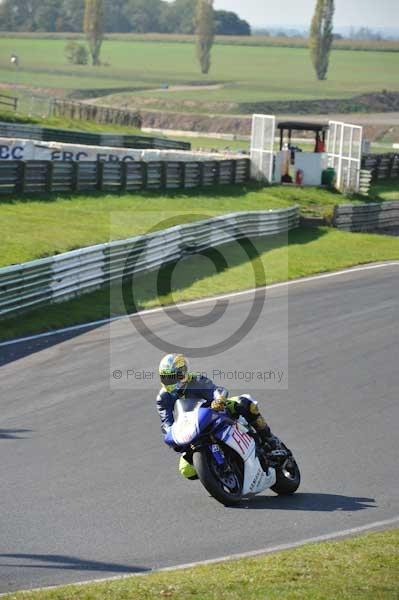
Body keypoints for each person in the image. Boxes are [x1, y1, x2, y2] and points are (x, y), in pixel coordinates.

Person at [156, 353, 288, 480]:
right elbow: (167, 423)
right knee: (187, 470)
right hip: (192, 428)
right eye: (167, 378)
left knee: (244, 404)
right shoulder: (163, 398)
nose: (172, 381)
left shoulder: (196, 380)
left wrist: (219, 400)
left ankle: (270, 440)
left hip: (216, 411)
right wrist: (172, 437)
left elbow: (216, 390)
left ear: (184, 373)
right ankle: (215, 473)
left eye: (175, 376)